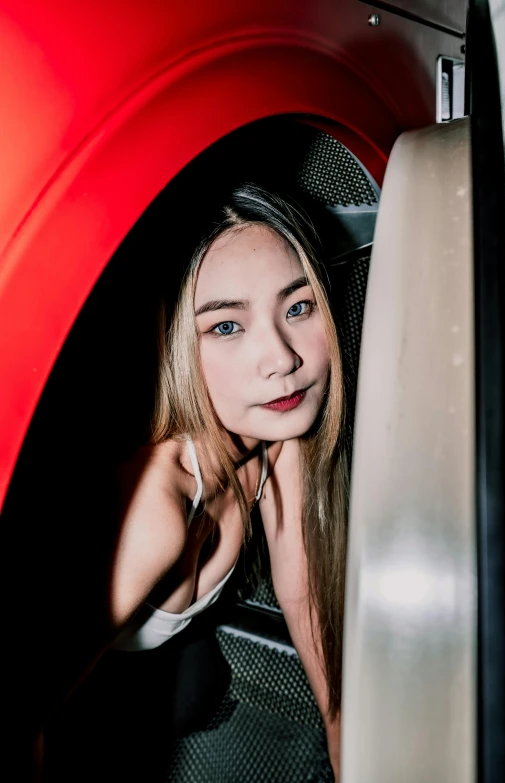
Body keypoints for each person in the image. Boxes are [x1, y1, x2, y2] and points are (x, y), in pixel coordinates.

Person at [51, 183, 349, 782]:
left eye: (297, 307)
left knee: (197, 692)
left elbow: (312, 617)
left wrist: (351, 753)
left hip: (173, 662)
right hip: (73, 700)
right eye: (225, 327)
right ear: (173, 347)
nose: (282, 358)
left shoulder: (278, 440)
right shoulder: (154, 508)